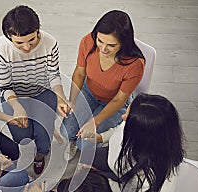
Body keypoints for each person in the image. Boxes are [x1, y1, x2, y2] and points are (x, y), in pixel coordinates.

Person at [0, 5, 71, 174]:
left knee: (44, 135)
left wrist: (60, 97)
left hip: (42, 92)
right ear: (9, 37)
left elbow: (53, 75)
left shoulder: (50, 43)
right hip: (14, 96)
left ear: (38, 30)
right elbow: (5, 87)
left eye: (32, 40)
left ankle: (40, 156)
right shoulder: (2, 47)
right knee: (22, 136)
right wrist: (17, 106)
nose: (27, 47)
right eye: (19, 43)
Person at [61, 10, 145, 160]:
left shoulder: (135, 64)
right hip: (89, 91)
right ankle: (76, 138)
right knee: (65, 132)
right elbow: (80, 73)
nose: (103, 49)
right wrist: (72, 100)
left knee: (85, 143)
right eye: (100, 41)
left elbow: (119, 99)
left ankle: (103, 143)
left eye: (111, 45)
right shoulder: (88, 41)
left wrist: (95, 121)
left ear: (123, 43)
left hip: (114, 101)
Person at [87, 93, 185, 192]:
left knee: (91, 185)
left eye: (127, 117)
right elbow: (120, 129)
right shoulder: (142, 129)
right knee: (90, 159)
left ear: (138, 133)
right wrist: (101, 137)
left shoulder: (147, 177)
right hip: (121, 161)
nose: (122, 117)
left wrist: (103, 179)